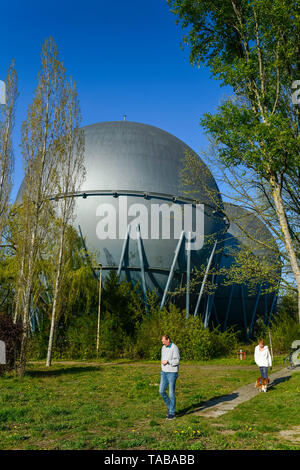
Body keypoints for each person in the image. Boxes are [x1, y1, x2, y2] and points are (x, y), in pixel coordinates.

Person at [159, 334, 180, 420]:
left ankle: (172, 412)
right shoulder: (163, 348)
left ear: (168, 340)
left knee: (171, 393)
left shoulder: (174, 347)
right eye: (162, 341)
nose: (162, 342)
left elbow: (177, 360)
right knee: (161, 391)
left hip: (172, 373)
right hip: (164, 372)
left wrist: (168, 361)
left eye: (164, 341)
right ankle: (170, 407)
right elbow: (162, 359)